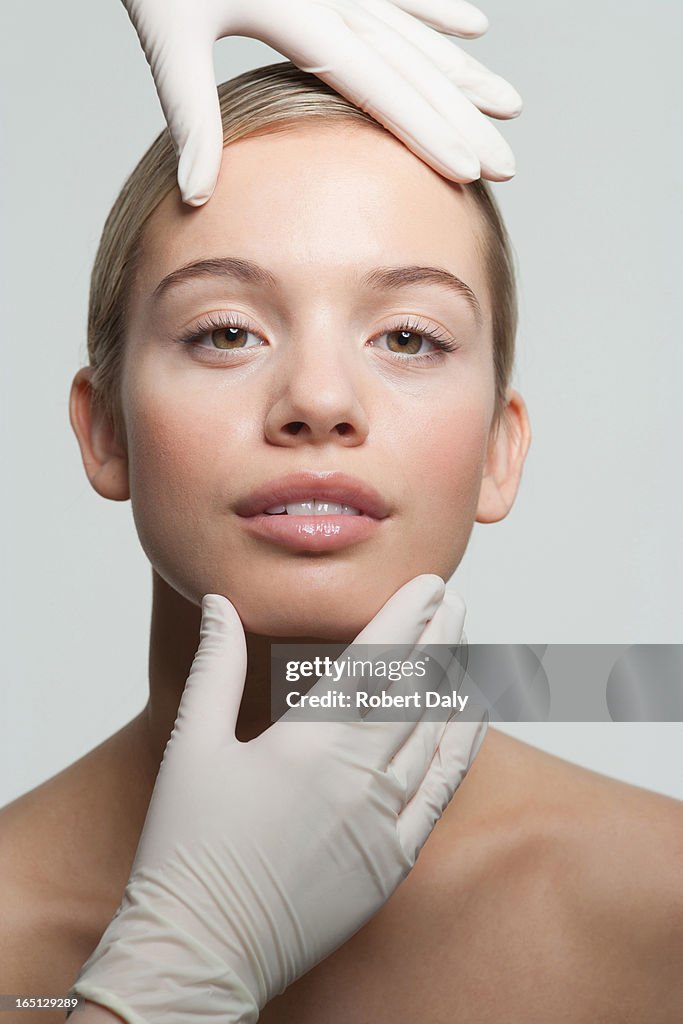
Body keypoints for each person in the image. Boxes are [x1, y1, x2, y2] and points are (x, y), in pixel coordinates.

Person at [1, 61, 681, 1023]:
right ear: (104, 427)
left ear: (498, 448)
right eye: (226, 331)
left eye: (408, 338)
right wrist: (160, 981)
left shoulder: (665, 911)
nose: (318, 400)